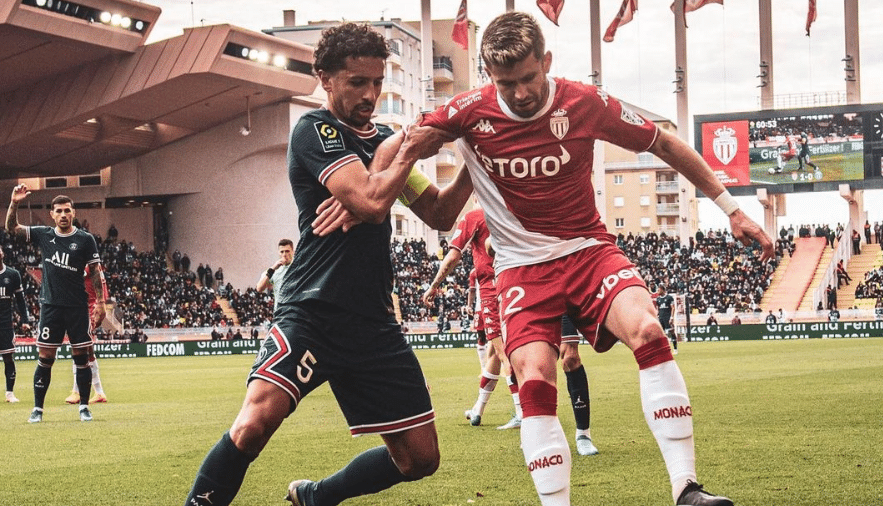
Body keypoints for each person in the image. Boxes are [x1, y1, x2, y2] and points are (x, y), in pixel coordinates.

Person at [387, 12, 773, 506]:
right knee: (535, 377)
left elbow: (666, 143)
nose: (521, 92)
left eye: (529, 77)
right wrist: (368, 197)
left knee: (649, 329)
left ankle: (686, 488)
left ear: (546, 61)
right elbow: (398, 151)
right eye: (507, 83)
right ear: (488, 76)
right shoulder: (465, 111)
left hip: (588, 249)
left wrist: (732, 209)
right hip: (521, 268)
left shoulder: (584, 102)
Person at [183, 22, 454, 506]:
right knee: (252, 425)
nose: (370, 94)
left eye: (377, 82)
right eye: (357, 83)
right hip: (313, 309)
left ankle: (318, 496)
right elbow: (371, 204)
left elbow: (439, 212)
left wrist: (476, 160)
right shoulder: (315, 130)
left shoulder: (385, 142)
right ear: (324, 78)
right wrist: (405, 155)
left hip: (372, 322)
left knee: (419, 459)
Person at [6, 188, 104, 423]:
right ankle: (38, 409)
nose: (63, 214)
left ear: (73, 213)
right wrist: (13, 203)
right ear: (52, 214)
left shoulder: (85, 239)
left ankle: (83, 407)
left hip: (78, 307)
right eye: (58, 211)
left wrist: (101, 302)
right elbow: (13, 229)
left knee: (82, 356)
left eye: (67, 210)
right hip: (51, 306)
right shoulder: (43, 234)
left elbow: (95, 272)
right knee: (45, 357)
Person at [422, 208, 522, 430]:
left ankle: (521, 411)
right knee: (495, 352)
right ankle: (478, 409)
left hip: (491, 288)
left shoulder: (475, 216)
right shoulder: (512, 210)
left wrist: (433, 286)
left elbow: (453, 255)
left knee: (503, 353)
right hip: (516, 285)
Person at [64, 264, 110, 404]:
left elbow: (99, 284)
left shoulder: (89, 262)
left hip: (89, 306)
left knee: (79, 347)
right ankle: (98, 392)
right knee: (86, 350)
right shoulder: (86, 260)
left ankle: (77, 391)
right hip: (80, 306)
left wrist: (100, 302)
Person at [559, 315, 599, 456]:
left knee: (571, 359)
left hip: (559, 300)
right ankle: (536, 429)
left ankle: (583, 434)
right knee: (537, 364)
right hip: (527, 300)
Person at [0, 247, 32, 403]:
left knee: (8, 359)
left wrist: (25, 320)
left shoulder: (12, 275)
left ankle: (9, 393)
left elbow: (20, 300)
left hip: (5, 325)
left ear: (2, 254)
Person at [255, 239, 294, 311]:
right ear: (278, 253)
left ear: (293, 252)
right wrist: (272, 269)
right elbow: (259, 289)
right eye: (282, 252)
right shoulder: (273, 270)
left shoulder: (299, 267)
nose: (284, 254)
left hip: (296, 312)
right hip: (280, 313)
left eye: (287, 251)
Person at [655, 285, 676, 353]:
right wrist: (657, 316)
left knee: (671, 332)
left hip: (668, 317)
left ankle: (675, 349)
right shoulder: (658, 299)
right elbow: (658, 309)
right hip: (661, 318)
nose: (657, 291)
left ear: (662, 290)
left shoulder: (669, 298)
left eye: (659, 290)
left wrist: (672, 317)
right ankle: (664, 350)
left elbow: (673, 307)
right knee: (662, 334)